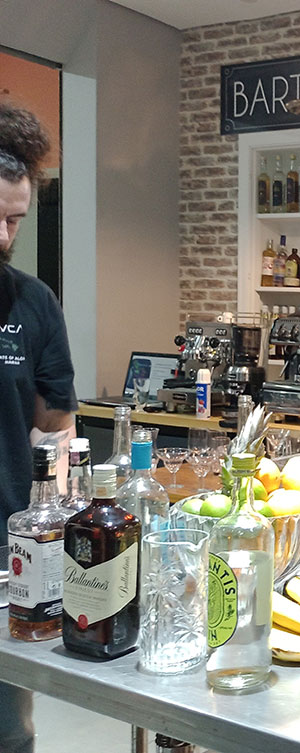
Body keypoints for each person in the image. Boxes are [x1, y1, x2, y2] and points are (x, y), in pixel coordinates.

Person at [1, 102, 77, 753]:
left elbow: (55, 425)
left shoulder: (33, 303)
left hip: (7, 562)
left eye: (15, 220)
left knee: (8, 730)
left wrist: (51, 523)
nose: (4, 235)